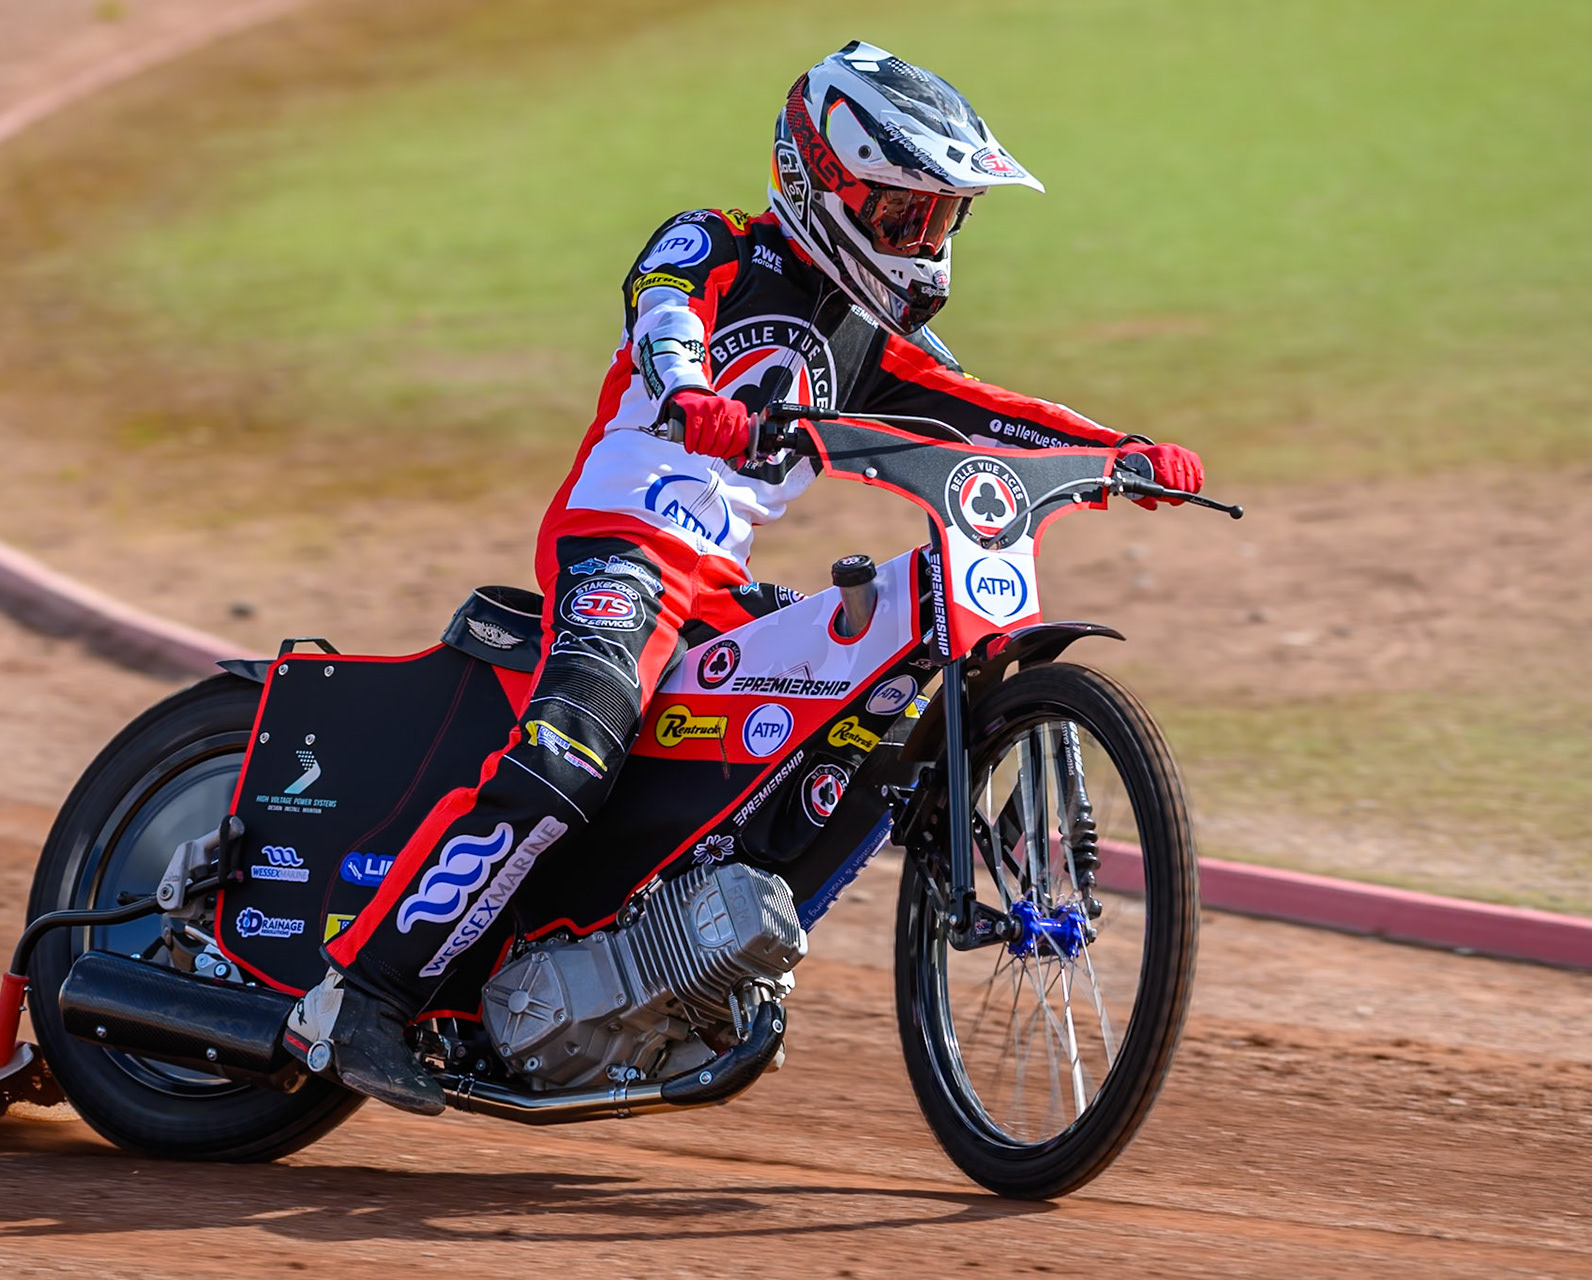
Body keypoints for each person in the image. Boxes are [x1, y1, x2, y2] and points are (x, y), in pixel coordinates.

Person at [288, 40, 1205, 1114]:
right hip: (622, 543)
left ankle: (661, 953)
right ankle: (363, 994)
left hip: (718, 583)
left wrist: (1120, 453)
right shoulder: (717, 243)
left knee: (848, 705)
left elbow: (989, 414)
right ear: (821, 182)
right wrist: (689, 394)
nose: (925, 242)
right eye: (904, 213)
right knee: (577, 741)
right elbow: (663, 308)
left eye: (942, 219)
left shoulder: (872, 343)